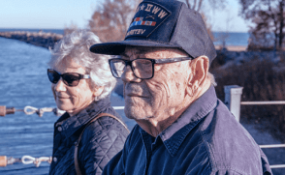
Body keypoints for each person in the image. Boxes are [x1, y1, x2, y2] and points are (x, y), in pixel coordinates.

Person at [90, 0, 272, 174]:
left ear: (196, 73)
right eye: (126, 62)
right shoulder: (146, 132)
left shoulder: (218, 165)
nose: (126, 75)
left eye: (145, 63)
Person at [47, 30, 129, 175]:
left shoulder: (105, 135)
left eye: (71, 79)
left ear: (98, 86)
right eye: (54, 76)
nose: (58, 87)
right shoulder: (76, 125)